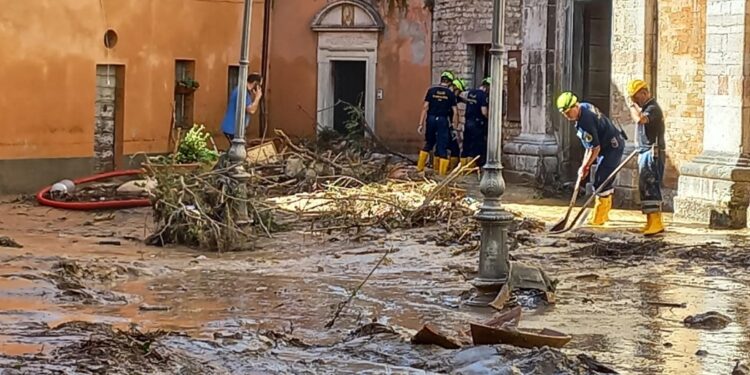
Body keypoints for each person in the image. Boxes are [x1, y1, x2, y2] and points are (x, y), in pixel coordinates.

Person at [556, 92, 625, 226]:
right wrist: (584, 166)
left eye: (568, 112)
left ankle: (599, 217)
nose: (567, 116)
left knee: (601, 181)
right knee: (604, 179)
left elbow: (595, 148)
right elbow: (589, 148)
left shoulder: (585, 122)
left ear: (575, 106)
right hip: (606, 146)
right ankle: (604, 213)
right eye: (564, 114)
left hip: (611, 147)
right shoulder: (585, 106)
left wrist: (585, 166)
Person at [627, 79, 666, 236]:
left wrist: (632, 107)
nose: (635, 101)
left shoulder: (653, 108)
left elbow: (640, 119)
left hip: (652, 152)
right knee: (644, 187)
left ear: (645, 93)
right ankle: (650, 221)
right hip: (644, 151)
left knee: (651, 186)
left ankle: (656, 222)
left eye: (637, 98)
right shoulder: (646, 107)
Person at [417, 71, 459, 176]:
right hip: (442, 120)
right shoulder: (450, 94)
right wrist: (455, 126)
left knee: (429, 143)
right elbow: (455, 112)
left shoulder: (431, 90)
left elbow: (425, 107)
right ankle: (441, 174)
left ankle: (419, 168)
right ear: (449, 82)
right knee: (442, 146)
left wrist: (420, 124)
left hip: (430, 119)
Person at [221, 73, 263, 145]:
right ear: (255, 83)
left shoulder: (242, 90)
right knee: (239, 152)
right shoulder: (243, 92)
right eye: (259, 85)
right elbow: (251, 110)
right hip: (233, 129)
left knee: (237, 150)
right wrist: (257, 97)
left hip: (234, 129)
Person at [461, 77, 490, 169]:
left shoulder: (471, 92)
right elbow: (484, 112)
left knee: (466, 144)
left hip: (468, 121)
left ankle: (462, 167)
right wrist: (491, 119)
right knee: (475, 146)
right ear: (487, 87)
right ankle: (470, 168)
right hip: (477, 123)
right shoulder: (483, 95)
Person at [448, 78, 467, 171]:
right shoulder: (451, 99)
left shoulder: (460, 100)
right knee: (455, 147)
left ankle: (454, 168)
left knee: (455, 147)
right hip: (451, 126)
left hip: (453, 126)